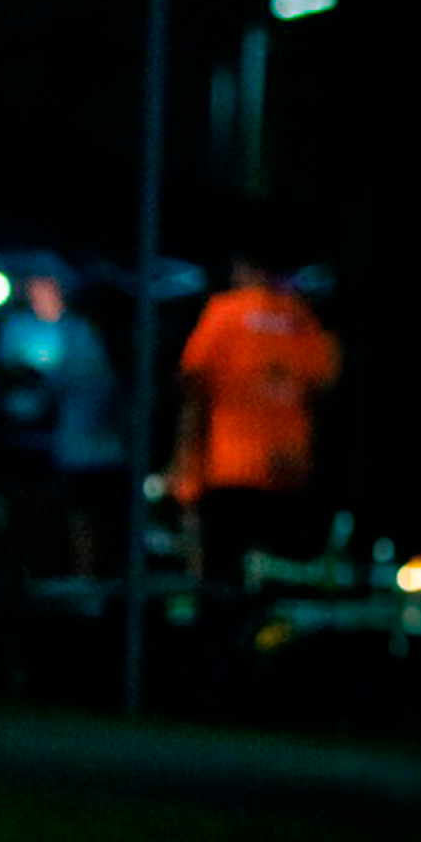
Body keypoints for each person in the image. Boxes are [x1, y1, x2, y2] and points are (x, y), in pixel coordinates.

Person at [171, 252, 341, 593]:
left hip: (229, 468)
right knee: (279, 581)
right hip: (287, 470)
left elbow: (195, 389)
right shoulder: (302, 319)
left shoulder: (224, 313)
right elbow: (323, 389)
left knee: (222, 581)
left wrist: (183, 463)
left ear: (244, 267)